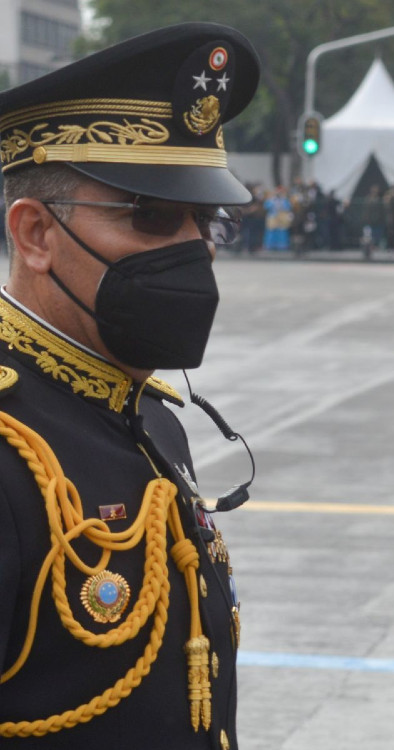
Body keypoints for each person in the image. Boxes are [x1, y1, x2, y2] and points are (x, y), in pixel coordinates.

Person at [0, 23, 259, 749]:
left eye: (204, 220)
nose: (192, 250)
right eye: (149, 216)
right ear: (35, 235)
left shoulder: (148, 412)